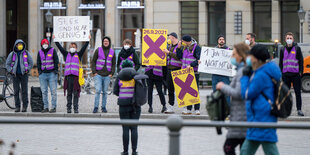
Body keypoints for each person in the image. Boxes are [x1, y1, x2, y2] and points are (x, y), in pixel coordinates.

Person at [240, 44, 281, 155]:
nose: (248, 58)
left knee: (270, 150)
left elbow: (247, 94)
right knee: (245, 151)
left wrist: (244, 77)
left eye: (250, 56)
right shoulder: (267, 70)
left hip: (261, 118)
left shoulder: (261, 75)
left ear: (256, 59)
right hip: (261, 117)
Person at [216, 43, 249, 155]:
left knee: (228, 147)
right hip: (240, 116)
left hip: (241, 117)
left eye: (234, 54)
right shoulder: (242, 70)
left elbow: (239, 93)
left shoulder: (242, 71)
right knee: (243, 150)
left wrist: (222, 86)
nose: (232, 57)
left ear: (241, 55)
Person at [54, 35, 90, 113]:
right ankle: (69, 108)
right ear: (69, 48)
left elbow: (84, 47)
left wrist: (88, 40)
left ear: (76, 48)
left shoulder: (79, 54)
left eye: (74, 46)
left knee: (76, 93)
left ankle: (76, 108)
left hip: (76, 77)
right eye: (71, 46)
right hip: (68, 77)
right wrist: (55, 39)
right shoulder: (66, 54)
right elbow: (60, 47)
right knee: (69, 93)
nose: (72, 48)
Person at [113, 60, 140, 155]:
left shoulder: (119, 76)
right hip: (135, 105)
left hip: (123, 105)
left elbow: (115, 91)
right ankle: (134, 151)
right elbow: (141, 90)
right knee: (134, 128)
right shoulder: (136, 76)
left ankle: (125, 151)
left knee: (125, 128)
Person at [279, 32, 304, 116]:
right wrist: (281, 72)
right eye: (287, 38)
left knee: (298, 93)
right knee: (285, 94)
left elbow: (301, 60)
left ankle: (299, 110)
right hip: (286, 75)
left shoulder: (297, 48)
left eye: (290, 38)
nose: (289, 40)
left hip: (295, 74)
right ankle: (285, 110)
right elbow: (281, 62)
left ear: (293, 40)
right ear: (285, 40)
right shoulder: (282, 49)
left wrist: (301, 72)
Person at [6, 39, 34, 112]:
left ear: (23, 45)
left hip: (24, 74)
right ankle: (17, 106)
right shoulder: (12, 54)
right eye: (18, 44)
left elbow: (31, 63)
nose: (20, 46)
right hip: (15, 75)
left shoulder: (26, 53)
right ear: (16, 45)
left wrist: (27, 69)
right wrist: (11, 70)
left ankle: (24, 106)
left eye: (21, 44)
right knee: (16, 91)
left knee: (24, 91)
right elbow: (7, 64)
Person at [177, 35, 201, 115]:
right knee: (187, 91)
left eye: (183, 41)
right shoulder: (184, 48)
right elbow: (179, 57)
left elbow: (199, 59)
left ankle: (197, 109)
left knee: (195, 90)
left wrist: (191, 65)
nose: (182, 42)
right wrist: (178, 48)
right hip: (185, 72)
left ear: (187, 41)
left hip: (194, 72)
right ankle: (188, 109)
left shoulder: (196, 48)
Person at [91, 36, 116, 113]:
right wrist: (94, 72)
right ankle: (95, 107)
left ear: (109, 43)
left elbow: (113, 63)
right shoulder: (98, 50)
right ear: (102, 42)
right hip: (98, 74)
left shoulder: (112, 52)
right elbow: (93, 61)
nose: (106, 42)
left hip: (107, 75)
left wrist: (112, 73)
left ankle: (103, 107)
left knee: (105, 92)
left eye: (107, 41)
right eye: (104, 41)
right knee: (98, 90)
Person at [162, 32, 183, 113]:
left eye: (169, 37)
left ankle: (185, 107)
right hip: (169, 70)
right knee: (170, 89)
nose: (168, 38)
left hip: (177, 69)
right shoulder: (170, 46)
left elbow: (179, 57)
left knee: (181, 90)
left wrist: (168, 53)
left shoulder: (180, 46)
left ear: (173, 37)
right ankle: (170, 106)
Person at [37, 39, 59, 113]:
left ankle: (53, 107)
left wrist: (55, 71)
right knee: (44, 91)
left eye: (46, 43)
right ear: (42, 45)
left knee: (53, 91)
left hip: (51, 74)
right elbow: (38, 62)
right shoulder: (40, 52)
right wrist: (39, 71)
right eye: (44, 43)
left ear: (48, 44)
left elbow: (56, 60)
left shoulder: (52, 50)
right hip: (43, 74)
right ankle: (45, 107)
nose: (45, 44)